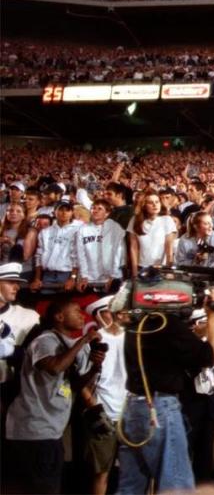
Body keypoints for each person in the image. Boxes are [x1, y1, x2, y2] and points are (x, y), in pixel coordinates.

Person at [117, 290, 214, 493]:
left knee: (130, 488)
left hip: (133, 408)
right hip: (159, 409)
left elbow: (176, 343)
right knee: (176, 486)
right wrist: (211, 318)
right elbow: (209, 357)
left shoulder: (137, 324)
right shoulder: (169, 325)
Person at [5, 296, 105, 494]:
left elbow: (76, 384)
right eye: (76, 311)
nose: (81, 315)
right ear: (59, 316)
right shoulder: (44, 340)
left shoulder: (78, 345)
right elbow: (55, 367)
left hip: (52, 430)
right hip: (32, 429)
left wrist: (95, 367)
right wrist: (84, 339)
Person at [80, 295, 127, 495]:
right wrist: (93, 407)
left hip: (130, 413)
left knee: (133, 471)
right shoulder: (90, 341)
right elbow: (80, 381)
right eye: (110, 309)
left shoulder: (134, 337)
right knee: (102, 473)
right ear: (100, 315)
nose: (118, 312)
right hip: (103, 412)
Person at [180, 308, 214, 484]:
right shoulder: (189, 346)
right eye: (204, 323)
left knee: (206, 449)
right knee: (187, 447)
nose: (208, 327)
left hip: (209, 400)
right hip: (191, 401)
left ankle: (203, 484)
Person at [0, 262, 40, 431]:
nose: (16, 286)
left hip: (14, 388)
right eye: (10, 282)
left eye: (17, 283)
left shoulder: (28, 316)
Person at [75, 199, 126, 291]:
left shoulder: (115, 228)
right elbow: (80, 255)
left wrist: (113, 275)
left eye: (100, 209)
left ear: (107, 213)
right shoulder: (83, 229)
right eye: (93, 208)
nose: (95, 211)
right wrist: (84, 276)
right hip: (89, 277)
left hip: (110, 276)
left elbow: (118, 253)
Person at [30, 201, 80, 293]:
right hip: (48, 274)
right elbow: (39, 256)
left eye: (67, 210)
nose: (64, 213)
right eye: (61, 210)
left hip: (67, 274)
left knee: (64, 304)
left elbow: (77, 256)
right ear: (54, 212)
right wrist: (37, 278)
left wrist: (73, 278)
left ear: (72, 212)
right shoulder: (45, 232)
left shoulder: (78, 231)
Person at [126, 191, 177, 277]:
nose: (155, 205)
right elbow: (133, 248)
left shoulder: (167, 220)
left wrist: (169, 271)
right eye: (150, 202)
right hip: (141, 267)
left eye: (157, 202)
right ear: (144, 205)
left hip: (161, 268)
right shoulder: (135, 220)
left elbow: (169, 250)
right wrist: (134, 272)